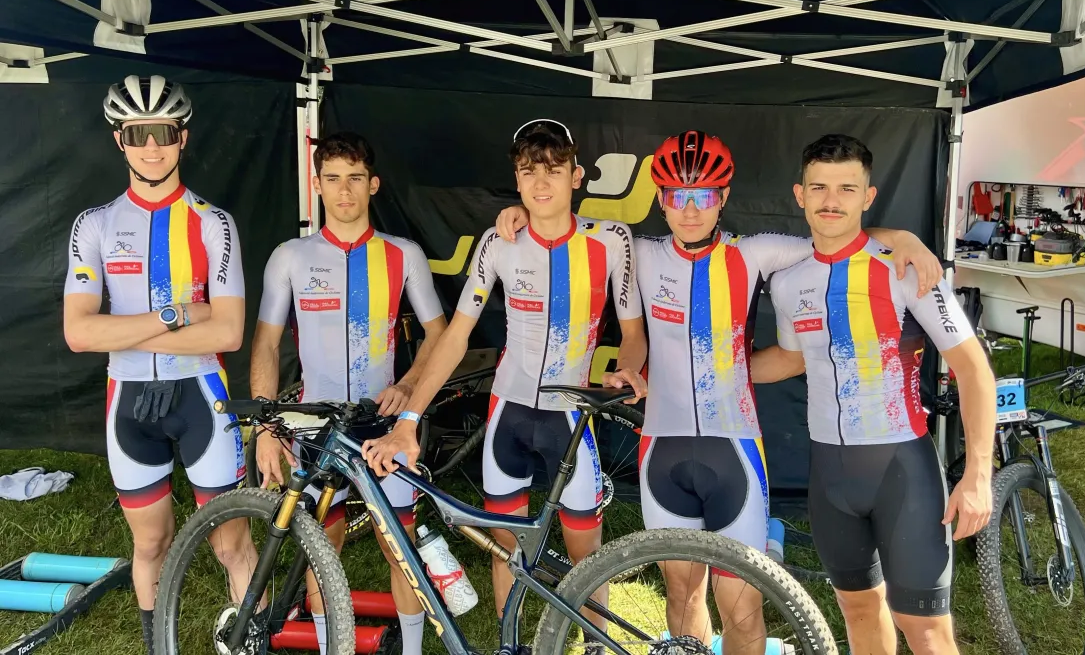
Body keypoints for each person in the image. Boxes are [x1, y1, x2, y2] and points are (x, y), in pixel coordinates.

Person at [493, 130, 943, 654]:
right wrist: (519, 214)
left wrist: (902, 238)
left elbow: (838, 233)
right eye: (678, 195)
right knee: (682, 598)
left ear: (723, 196)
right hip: (662, 450)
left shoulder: (754, 252)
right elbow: (561, 224)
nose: (690, 210)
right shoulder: (637, 251)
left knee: (741, 607)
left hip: (734, 450)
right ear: (661, 199)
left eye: (704, 195)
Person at [362, 119, 648, 624]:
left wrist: (627, 368)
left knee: (588, 559)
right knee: (506, 552)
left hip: (569, 419)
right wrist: (408, 420)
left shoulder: (612, 240)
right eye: (529, 171)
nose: (541, 183)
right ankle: (508, 644)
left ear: (577, 176)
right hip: (508, 416)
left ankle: (593, 644)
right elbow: (455, 336)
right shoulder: (498, 242)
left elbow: (632, 330)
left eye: (553, 170)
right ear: (516, 180)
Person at [758, 133, 995, 655]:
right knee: (859, 609)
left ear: (868, 196)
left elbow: (973, 368)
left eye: (847, 189)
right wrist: (713, 368)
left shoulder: (904, 267)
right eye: (819, 188)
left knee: (925, 628)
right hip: (830, 473)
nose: (831, 201)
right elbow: (792, 359)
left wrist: (979, 474)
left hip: (901, 470)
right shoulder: (788, 281)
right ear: (799, 194)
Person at [63, 75, 256, 655]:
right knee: (150, 545)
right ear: (119, 140)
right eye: (138, 134)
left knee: (231, 545)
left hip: (202, 396)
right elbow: (78, 333)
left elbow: (228, 332)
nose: (152, 148)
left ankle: (254, 642)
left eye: (164, 133)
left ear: (183, 138)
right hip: (128, 403)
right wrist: (176, 315)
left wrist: (124, 331)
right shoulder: (94, 224)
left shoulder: (213, 222)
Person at [251, 131, 447, 655]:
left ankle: (411, 650)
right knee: (322, 547)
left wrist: (408, 384)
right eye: (333, 179)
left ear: (373, 184)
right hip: (317, 424)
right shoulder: (290, 257)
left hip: (383, 422)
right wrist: (265, 427)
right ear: (316, 185)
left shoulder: (403, 254)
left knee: (399, 546)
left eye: (355, 179)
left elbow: (440, 334)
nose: (344, 191)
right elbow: (266, 344)